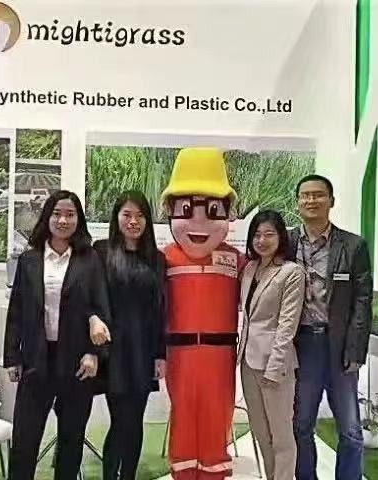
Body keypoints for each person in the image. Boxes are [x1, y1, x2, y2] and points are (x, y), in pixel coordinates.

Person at [3, 190, 111, 480]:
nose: (63, 220)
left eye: (70, 215)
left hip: (76, 363)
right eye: (57, 214)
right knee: (25, 439)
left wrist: (94, 353)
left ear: (78, 220)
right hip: (36, 359)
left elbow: (101, 308)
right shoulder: (29, 260)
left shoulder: (90, 260)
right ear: (47, 217)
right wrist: (12, 356)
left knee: (71, 440)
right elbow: (17, 311)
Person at [160, 147, 247, 479]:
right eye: (186, 209)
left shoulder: (236, 260)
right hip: (178, 354)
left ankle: (214, 473)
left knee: (217, 414)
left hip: (221, 355)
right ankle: (183, 473)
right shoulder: (163, 259)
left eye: (212, 210)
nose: (199, 221)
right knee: (183, 413)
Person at [289, 175, 373, 480]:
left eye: (318, 195)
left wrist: (356, 350)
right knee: (301, 425)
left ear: (331, 201)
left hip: (339, 345)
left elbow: (362, 301)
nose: (311, 200)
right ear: (297, 202)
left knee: (350, 430)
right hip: (301, 345)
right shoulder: (287, 243)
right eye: (305, 195)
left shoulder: (353, 246)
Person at [92, 190, 167, 480]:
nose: (133, 221)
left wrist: (160, 354)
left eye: (140, 216)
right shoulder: (101, 251)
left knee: (135, 420)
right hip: (113, 350)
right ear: (117, 218)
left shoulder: (157, 259)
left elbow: (160, 310)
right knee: (120, 420)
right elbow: (92, 300)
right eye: (127, 215)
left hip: (143, 350)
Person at [238, 209, 305, 480]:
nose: (262, 240)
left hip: (275, 365)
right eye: (257, 235)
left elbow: (287, 326)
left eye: (269, 234)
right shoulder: (249, 269)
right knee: (261, 433)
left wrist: (275, 367)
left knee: (281, 437)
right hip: (247, 362)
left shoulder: (292, 272)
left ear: (280, 238)